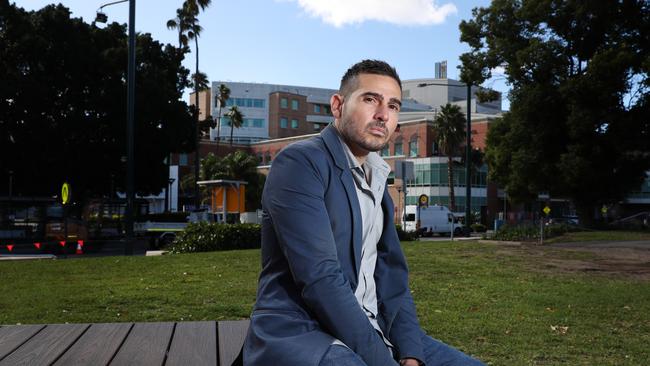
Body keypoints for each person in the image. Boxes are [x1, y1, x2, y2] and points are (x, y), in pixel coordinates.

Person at [243, 60, 484, 366]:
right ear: (337, 105)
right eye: (370, 99)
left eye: (393, 105)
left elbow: (392, 277)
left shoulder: (377, 176)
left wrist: (410, 352)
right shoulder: (301, 163)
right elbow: (320, 278)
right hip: (305, 334)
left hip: (378, 329)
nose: (383, 114)